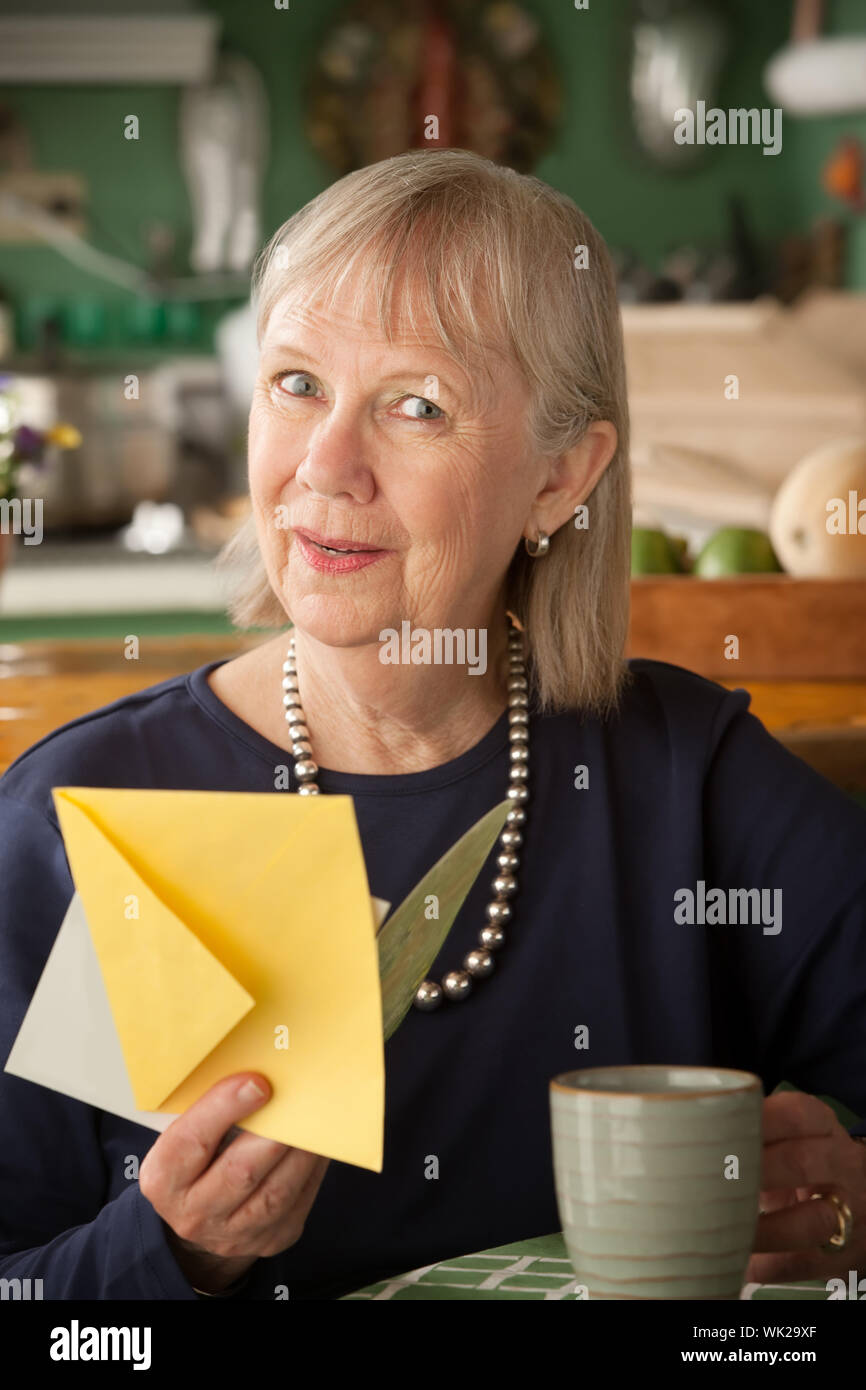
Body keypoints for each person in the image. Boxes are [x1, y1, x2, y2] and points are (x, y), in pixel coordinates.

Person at [0, 149, 864, 1301]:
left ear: (561, 477)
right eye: (295, 383)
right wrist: (171, 1251)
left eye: (417, 406)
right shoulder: (79, 818)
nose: (324, 465)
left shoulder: (687, 778)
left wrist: (849, 1200)